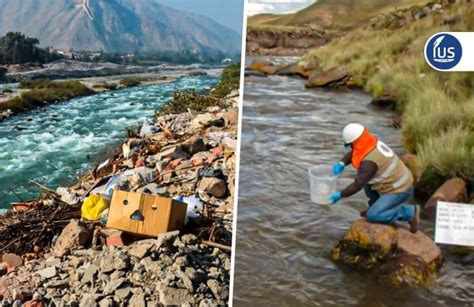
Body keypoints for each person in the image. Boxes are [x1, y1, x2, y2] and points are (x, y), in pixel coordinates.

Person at [328, 123, 420, 233]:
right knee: (367, 182)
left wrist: (340, 195)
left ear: (354, 142)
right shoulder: (370, 143)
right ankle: (376, 205)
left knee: (373, 215)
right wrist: (342, 163)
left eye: (349, 144)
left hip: (400, 189)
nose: (350, 147)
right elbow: (354, 152)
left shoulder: (369, 163)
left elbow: (357, 185)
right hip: (396, 180)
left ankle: (409, 213)